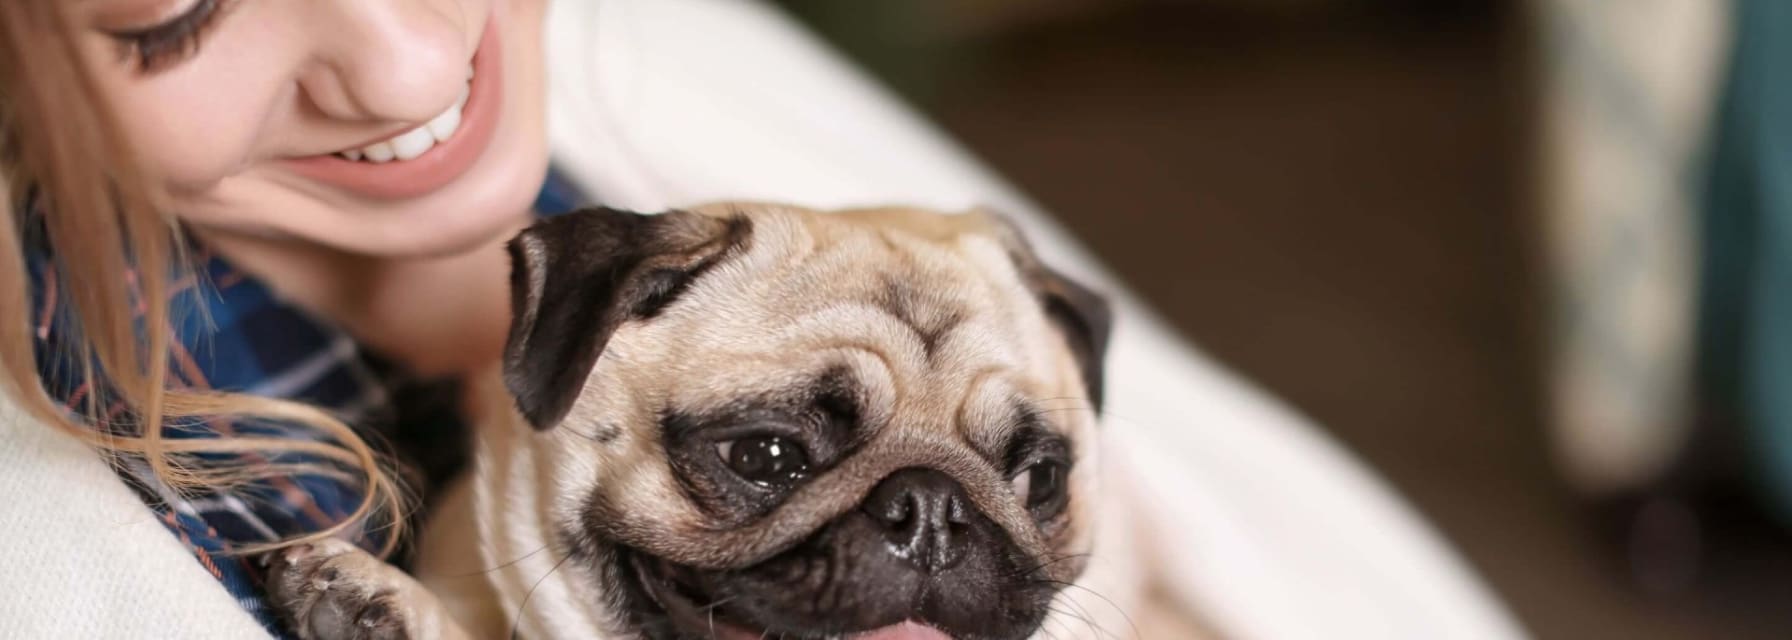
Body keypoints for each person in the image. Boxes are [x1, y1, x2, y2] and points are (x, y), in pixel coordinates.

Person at [0, 1, 1520, 638]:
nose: (399, 64)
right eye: (172, 11)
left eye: (1025, 472)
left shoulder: (661, 77)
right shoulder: (95, 484)